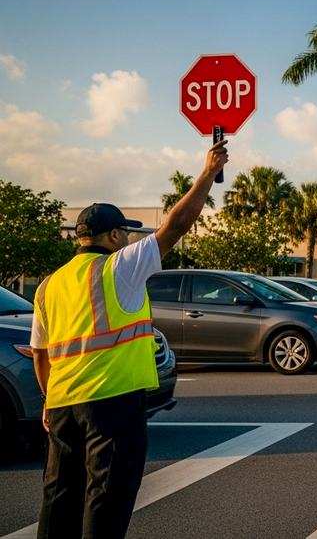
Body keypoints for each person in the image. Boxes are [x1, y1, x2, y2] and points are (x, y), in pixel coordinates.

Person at [30, 139, 229, 539]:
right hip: (113, 403)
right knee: (107, 495)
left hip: (64, 403)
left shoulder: (49, 283)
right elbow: (175, 226)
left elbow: (41, 352)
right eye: (126, 234)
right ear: (116, 234)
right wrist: (208, 174)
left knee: (59, 496)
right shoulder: (119, 267)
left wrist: (49, 400)